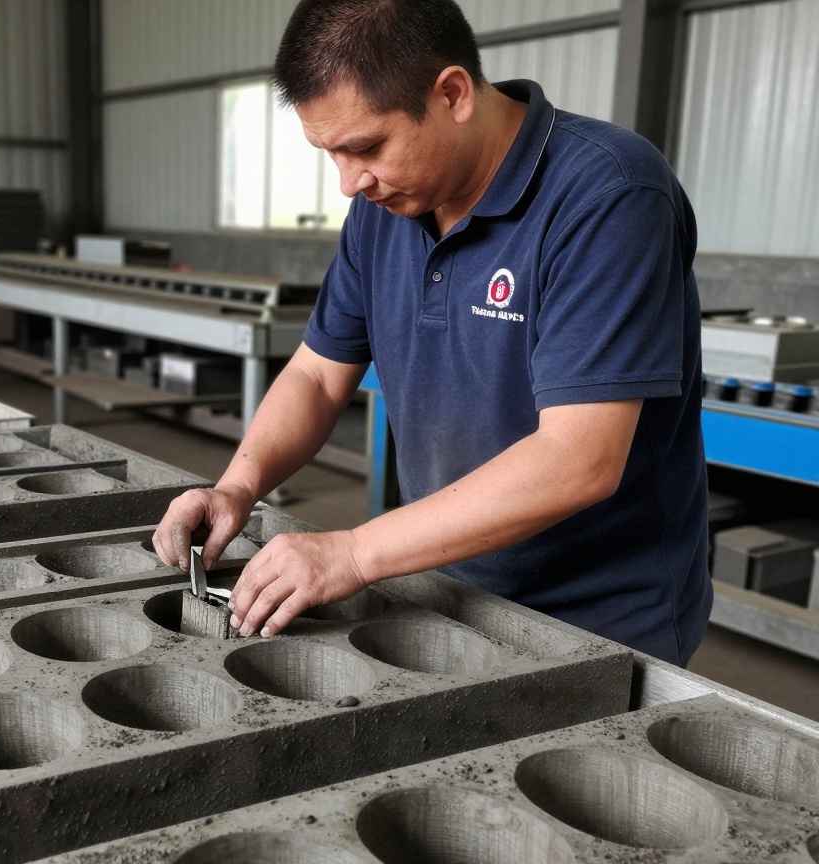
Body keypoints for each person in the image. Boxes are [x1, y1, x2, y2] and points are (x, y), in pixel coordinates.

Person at [152, 0, 711, 666]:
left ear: (453, 94)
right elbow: (317, 374)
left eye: (367, 147)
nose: (349, 183)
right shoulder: (383, 209)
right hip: (442, 583)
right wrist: (238, 486)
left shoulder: (609, 195)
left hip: (597, 619)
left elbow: (578, 458)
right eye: (331, 154)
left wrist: (354, 553)